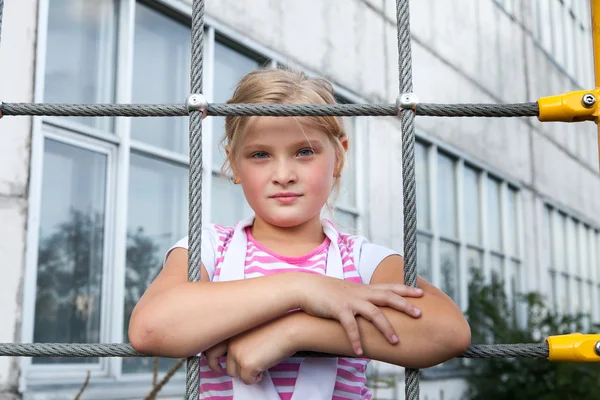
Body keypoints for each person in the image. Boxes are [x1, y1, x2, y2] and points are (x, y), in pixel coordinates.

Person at [129, 67, 471, 400]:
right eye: (260, 154)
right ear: (234, 164)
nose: (283, 174)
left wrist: (294, 332)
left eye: (304, 151)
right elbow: (150, 329)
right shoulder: (209, 248)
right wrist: (302, 288)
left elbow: (447, 334)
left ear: (338, 156)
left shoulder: (363, 261)